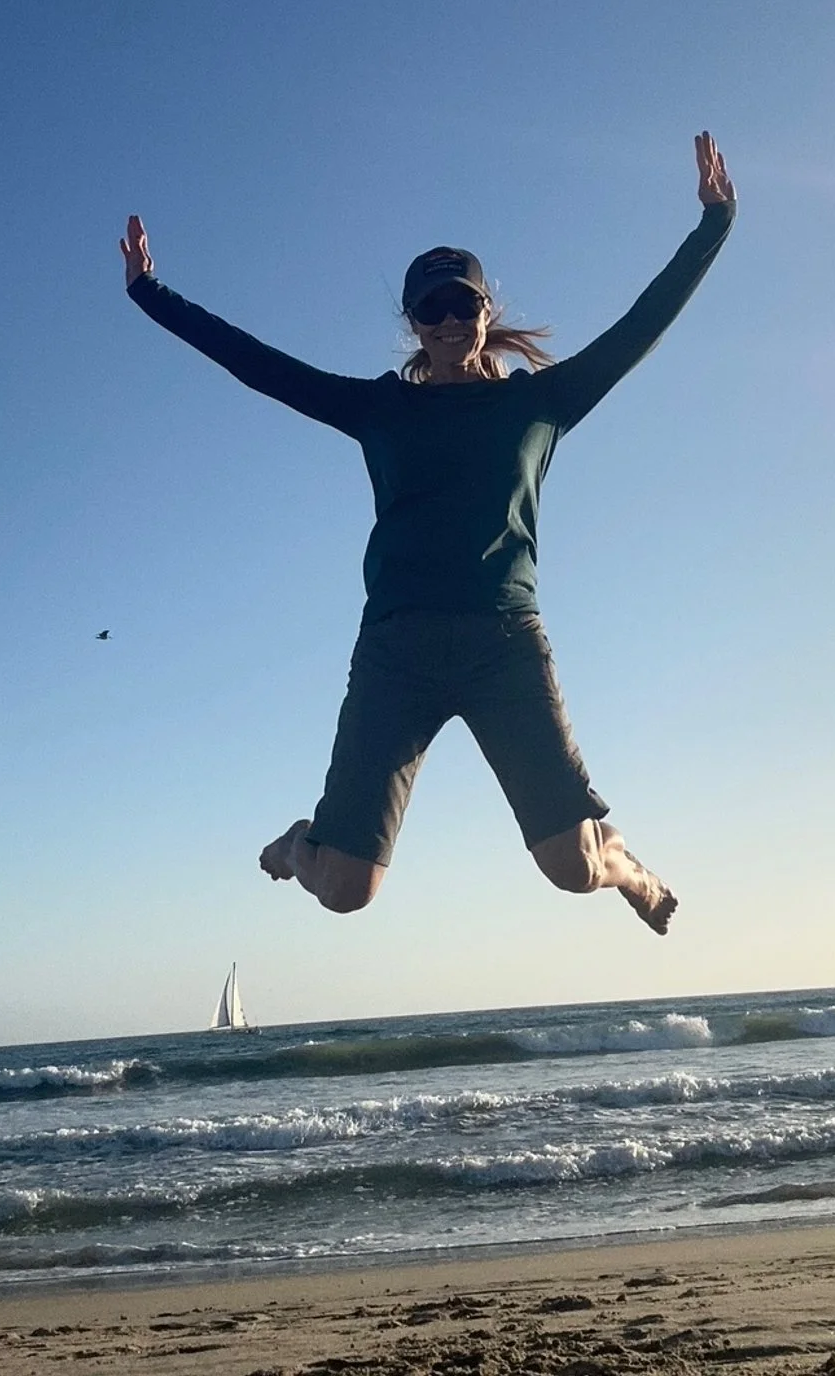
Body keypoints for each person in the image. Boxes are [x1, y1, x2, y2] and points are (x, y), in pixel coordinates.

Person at [120, 132, 735, 934]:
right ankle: (301, 844)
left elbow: (638, 327)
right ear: (413, 321)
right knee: (345, 890)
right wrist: (151, 294)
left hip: (504, 645)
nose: (448, 319)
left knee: (574, 868)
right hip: (397, 652)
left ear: (487, 311)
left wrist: (712, 225)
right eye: (430, 307)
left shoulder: (539, 404)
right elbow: (258, 364)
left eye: (463, 304)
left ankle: (627, 867)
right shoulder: (381, 408)